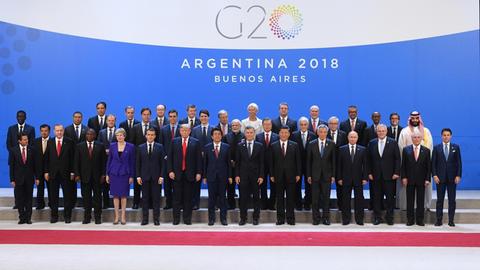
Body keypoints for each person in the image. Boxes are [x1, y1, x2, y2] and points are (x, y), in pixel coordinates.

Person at [397, 111, 433, 210]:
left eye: (417, 118)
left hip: (423, 168)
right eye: (413, 118)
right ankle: (407, 208)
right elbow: (401, 149)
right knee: (408, 190)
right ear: (410, 119)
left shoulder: (426, 131)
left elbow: (429, 148)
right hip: (409, 168)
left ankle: (425, 206)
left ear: (419, 119)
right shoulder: (404, 131)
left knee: (423, 191)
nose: (415, 120)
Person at [168, 124, 202, 225]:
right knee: (177, 198)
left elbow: (199, 159)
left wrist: (199, 173)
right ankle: (176, 219)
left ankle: (187, 219)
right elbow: (170, 158)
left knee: (188, 198)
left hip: (190, 174)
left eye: (186, 130)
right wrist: (170, 171)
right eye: (182, 130)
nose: (184, 132)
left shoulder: (196, 142)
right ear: (180, 131)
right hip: (177, 174)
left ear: (190, 131)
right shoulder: (174, 141)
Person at [367, 124, 401, 225]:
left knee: (390, 198)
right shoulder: (372, 143)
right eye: (379, 131)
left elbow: (397, 159)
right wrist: (369, 172)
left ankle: (389, 218)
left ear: (386, 131)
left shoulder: (393, 142)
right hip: (375, 175)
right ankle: (377, 217)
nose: (381, 132)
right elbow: (368, 159)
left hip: (390, 176)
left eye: (383, 131)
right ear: (376, 132)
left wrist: (396, 172)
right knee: (377, 198)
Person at [74, 129, 106, 224]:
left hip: (97, 177)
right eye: (88, 134)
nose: (89, 135)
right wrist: (77, 174)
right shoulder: (80, 146)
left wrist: (103, 174)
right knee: (86, 199)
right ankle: (87, 218)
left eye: (91, 134)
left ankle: (97, 218)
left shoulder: (100, 146)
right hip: (84, 177)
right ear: (85, 135)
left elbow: (104, 162)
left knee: (97, 198)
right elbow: (76, 162)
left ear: (95, 135)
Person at [270, 126, 301, 225]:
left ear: (289, 134)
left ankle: (290, 218)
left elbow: (298, 161)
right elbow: (271, 162)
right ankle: (280, 219)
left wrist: (298, 174)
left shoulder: (294, 145)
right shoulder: (273, 145)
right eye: (282, 132)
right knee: (279, 198)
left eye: (285, 133)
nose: (284, 134)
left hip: (291, 176)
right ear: (279, 134)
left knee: (290, 198)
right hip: (278, 176)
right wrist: (271, 174)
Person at [44, 124, 75, 223]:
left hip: (66, 174)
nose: (59, 132)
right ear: (54, 131)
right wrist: (46, 171)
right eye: (57, 131)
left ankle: (67, 217)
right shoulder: (50, 142)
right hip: (53, 174)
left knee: (67, 196)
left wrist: (72, 172)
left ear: (63, 131)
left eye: (61, 130)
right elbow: (46, 159)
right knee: (53, 197)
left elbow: (73, 159)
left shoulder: (69, 142)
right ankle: (54, 216)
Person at [306, 124, 336, 225]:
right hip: (314, 175)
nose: (322, 134)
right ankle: (316, 218)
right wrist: (309, 175)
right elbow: (308, 161)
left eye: (324, 132)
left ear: (327, 133)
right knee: (315, 199)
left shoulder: (331, 144)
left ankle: (326, 218)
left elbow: (333, 161)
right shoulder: (311, 144)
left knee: (326, 199)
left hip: (327, 176)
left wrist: (333, 176)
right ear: (317, 132)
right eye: (321, 132)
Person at [337, 131, 368, 225]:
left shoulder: (362, 149)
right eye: (351, 137)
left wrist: (365, 178)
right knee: (345, 200)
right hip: (345, 179)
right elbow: (339, 166)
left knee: (359, 200)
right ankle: (346, 219)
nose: (353, 139)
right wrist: (339, 178)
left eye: (354, 137)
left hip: (359, 179)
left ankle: (359, 220)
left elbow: (366, 165)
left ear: (357, 138)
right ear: (348, 138)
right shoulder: (342, 149)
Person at [432, 128, 462, 227]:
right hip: (440, 178)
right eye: (444, 135)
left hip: (452, 178)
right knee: (439, 200)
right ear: (441, 136)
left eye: (448, 135)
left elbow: (459, 163)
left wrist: (458, 175)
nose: (446, 137)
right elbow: (433, 164)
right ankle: (439, 220)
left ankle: (451, 220)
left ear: (451, 136)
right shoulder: (437, 148)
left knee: (452, 200)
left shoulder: (456, 147)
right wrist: (434, 175)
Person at [6, 110, 35, 210]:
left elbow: (31, 144)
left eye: (22, 116)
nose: (20, 118)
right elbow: (8, 144)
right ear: (16, 117)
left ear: (25, 117)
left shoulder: (31, 129)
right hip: (15, 159)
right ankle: (17, 203)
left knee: (27, 186)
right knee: (17, 184)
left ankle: (26, 205)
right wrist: (16, 153)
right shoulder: (11, 129)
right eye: (19, 116)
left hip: (27, 160)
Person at [401, 131, 431, 226]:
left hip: (421, 180)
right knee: (409, 201)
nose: (416, 139)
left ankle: (420, 220)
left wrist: (427, 179)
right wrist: (404, 177)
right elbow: (403, 166)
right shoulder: (406, 150)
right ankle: (410, 220)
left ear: (421, 138)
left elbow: (428, 167)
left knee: (420, 201)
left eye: (418, 137)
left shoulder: (426, 150)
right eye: (414, 137)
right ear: (412, 138)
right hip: (409, 179)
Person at [136, 128, 165, 226]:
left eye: (152, 135)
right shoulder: (140, 147)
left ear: (155, 136)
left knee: (156, 199)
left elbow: (162, 163)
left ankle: (156, 219)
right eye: (148, 134)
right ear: (146, 136)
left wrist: (162, 176)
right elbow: (138, 163)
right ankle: (145, 219)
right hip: (144, 177)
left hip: (156, 178)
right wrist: (138, 176)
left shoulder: (160, 147)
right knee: (145, 199)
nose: (150, 136)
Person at [235, 126, 264, 225]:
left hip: (256, 177)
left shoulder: (259, 146)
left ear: (254, 134)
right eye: (247, 133)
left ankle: (256, 218)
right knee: (243, 198)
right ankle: (243, 218)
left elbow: (262, 163)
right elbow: (237, 162)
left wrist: (261, 176)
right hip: (243, 176)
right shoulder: (240, 145)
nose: (249, 134)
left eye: (251, 132)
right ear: (245, 134)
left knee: (256, 198)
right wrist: (237, 175)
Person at [106, 128, 135, 225]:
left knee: (123, 196)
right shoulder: (112, 146)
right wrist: (107, 174)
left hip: (125, 174)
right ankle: (116, 217)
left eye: (121, 135)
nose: (119, 137)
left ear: (124, 136)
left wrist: (131, 176)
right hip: (114, 173)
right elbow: (109, 161)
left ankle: (123, 217)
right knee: (115, 195)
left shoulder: (130, 147)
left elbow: (132, 162)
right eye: (117, 135)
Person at [9, 132, 39, 224]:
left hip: (29, 179)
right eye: (25, 139)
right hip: (18, 179)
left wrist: (37, 178)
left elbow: (36, 166)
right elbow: (12, 166)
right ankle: (22, 218)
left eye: (27, 139)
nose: (27, 141)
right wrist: (12, 179)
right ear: (19, 141)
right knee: (20, 199)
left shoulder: (32, 150)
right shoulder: (13, 151)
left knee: (29, 199)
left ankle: (28, 218)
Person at [131, 108, 159, 209]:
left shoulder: (155, 127)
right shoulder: (135, 127)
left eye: (148, 114)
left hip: (152, 159)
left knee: (151, 183)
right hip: (139, 158)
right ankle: (136, 202)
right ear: (141, 115)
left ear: (150, 115)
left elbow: (157, 142)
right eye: (144, 114)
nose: (146, 116)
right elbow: (132, 143)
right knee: (138, 182)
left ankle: (150, 203)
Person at [203, 128, 231, 226]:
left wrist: (230, 176)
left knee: (223, 199)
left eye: (219, 134)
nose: (217, 136)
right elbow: (205, 163)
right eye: (215, 134)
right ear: (211, 136)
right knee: (211, 199)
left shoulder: (226, 147)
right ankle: (211, 219)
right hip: (211, 177)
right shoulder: (207, 147)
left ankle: (223, 219)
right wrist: (204, 176)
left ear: (221, 136)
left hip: (223, 177)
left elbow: (229, 163)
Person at [290, 117, 317, 210]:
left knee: (309, 184)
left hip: (309, 165)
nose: (303, 126)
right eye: (301, 124)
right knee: (296, 185)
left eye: (305, 124)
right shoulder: (293, 135)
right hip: (296, 164)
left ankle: (307, 203)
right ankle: (298, 203)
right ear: (299, 125)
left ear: (308, 125)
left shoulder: (313, 135)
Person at [191, 109, 213, 210]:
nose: (204, 118)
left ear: (208, 117)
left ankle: (214, 204)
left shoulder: (213, 129)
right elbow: (193, 144)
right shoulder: (195, 130)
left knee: (213, 182)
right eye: (202, 116)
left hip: (211, 160)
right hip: (197, 160)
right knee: (196, 183)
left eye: (205, 116)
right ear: (199, 118)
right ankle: (195, 203)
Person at [255, 118, 279, 210]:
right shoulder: (258, 136)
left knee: (274, 186)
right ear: (262, 125)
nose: (267, 126)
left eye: (269, 124)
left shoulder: (276, 136)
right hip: (262, 165)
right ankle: (264, 204)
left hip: (274, 165)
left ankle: (272, 204)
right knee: (262, 185)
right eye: (265, 124)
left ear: (271, 125)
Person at [159, 109, 180, 210]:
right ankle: (168, 203)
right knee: (167, 185)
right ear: (168, 117)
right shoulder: (163, 129)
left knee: (177, 185)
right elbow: (160, 145)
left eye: (174, 116)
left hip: (179, 162)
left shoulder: (182, 129)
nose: (172, 118)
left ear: (177, 117)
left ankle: (178, 203)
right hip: (167, 161)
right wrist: (165, 156)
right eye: (170, 116)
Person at [327, 116, 347, 211]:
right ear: (328, 124)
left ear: (338, 124)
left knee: (341, 187)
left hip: (341, 165)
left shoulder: (343, 134)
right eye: (331, 123)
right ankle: (325, 206)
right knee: (325, 188)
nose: (333, 125)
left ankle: (341, 206)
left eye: (335, 123)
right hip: (326, 164)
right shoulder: (323, 133)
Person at [222, 119, 244, 209]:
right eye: (233, 125)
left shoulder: (244, 136)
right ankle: (231, 205)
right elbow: (224, 150)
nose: (235, 127)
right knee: (230, 187)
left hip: (241, 165)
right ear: (231, 127)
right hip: (229, 165)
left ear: (240, 126)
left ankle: (242, 205)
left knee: (242, 187)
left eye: (236, 125)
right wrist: (229, 160)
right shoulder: (226, 137)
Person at [97, 114, 117, 209]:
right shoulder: (101, 132)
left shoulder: (119, 132)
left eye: (112, 120)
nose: (111, 122)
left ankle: (117, 204)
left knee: (116, 183)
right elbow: (98, 144)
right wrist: (104, 150)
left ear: (115, 121)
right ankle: (105, 204)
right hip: (104, 160)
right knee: (105, 183)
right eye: (109, 120)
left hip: (116, 161)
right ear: (106, 121)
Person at [33, 124, 51, 210]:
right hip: (38, 170)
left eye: (46, 131)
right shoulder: (35, 142)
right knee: (40, 188)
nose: (44, 132)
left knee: (51, 188)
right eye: (42, 131)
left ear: (49, 131)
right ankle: (40, 204)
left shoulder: (53, 141)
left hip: (50, 170)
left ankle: (51, 203)